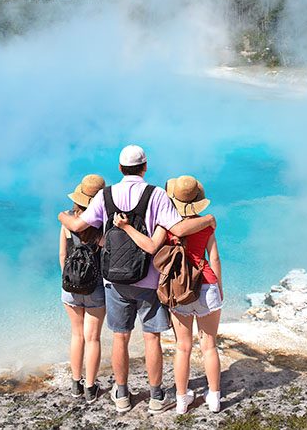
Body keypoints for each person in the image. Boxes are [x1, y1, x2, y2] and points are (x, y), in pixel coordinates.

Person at [57, 145, 215, 414]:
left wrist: (62, 216)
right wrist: (209, 220)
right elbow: (177, 228)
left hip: (114, 281)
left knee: (120, 338)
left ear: (119, 168)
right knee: (151, 338)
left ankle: (121, 394)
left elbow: (78, 226)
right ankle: (155, 397)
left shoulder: (105, 196)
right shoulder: (157, 194)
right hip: (149, 280)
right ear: (145, 167)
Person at [164, 176, 223, 414]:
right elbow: (214, 258)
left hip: (179, 289)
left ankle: (181, 400)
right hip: (207, 283)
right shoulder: (206, 224)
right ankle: (215, 398)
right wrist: (219, 287)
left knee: (183, 347)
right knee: (209, 346)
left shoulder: (168, 226)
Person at [58, 174, 107, 403]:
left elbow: (62, 255)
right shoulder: (102, 223)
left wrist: (70, 279)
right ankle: (90, 388)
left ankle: (75, 384)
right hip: (96, 287)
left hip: (71, 286)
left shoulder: (67, 221)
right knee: (93, 338)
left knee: (76, 335)